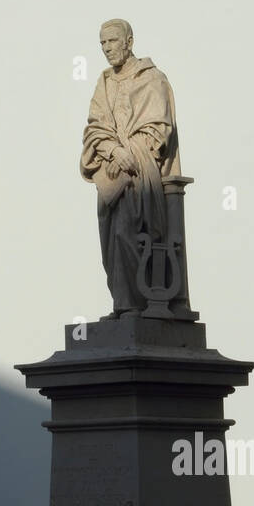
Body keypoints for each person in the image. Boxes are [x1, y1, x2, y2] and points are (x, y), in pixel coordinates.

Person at [80, 19, 181, 316]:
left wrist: (130, 155)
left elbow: (159, 131)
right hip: (110, 175)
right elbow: (94, 127)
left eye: (112, 41)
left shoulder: (152, 79)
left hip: (140, 175)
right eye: (102, 43)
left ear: (129, 41)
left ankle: (135, 304)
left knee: (129, 234)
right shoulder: (105, 82)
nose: (107, 48)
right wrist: (112, 150)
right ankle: (122, 303)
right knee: (110, 241)